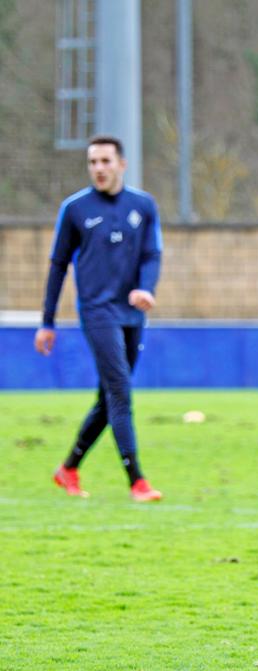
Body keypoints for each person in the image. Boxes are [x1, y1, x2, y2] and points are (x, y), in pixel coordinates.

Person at [35, 134, 164, 502]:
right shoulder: (75, 209)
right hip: (96, 312)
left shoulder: (144, 205)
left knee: (109, 399)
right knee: (121, 392)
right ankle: (137, 480)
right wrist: (47, 322)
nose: (99, 169)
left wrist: (146, 287)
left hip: (132, 313)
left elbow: (152, 254)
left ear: (122, 164)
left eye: (106, 161)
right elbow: (58, 265)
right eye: (93, 162)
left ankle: (69, 468)